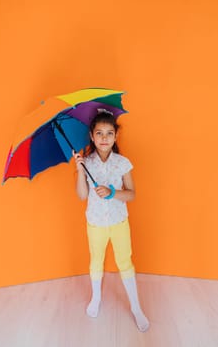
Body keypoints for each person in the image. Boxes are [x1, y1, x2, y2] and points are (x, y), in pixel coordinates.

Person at [73, 109, 149, 332]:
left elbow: (132, 194)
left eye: (109, 133)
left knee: (125, 262)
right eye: (99, 133)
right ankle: (96, 298)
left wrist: (113, 192)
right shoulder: (86, 163)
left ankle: (136, 307)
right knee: (96, 261)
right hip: (95, 223)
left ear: (116, 136)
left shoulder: (122, 163)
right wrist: (79, 171)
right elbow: (82, 195)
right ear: (92, 136)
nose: (104, 138)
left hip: (119, 223)